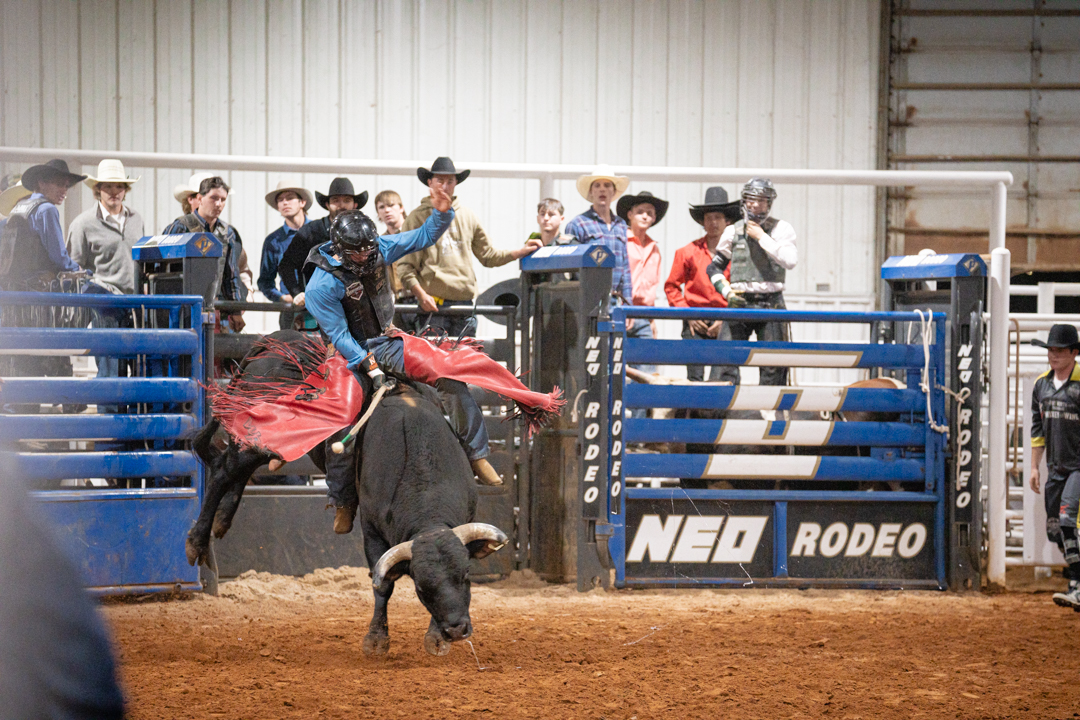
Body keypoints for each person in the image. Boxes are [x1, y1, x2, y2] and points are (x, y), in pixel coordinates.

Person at [303, 182, 498, 533]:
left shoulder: (380, 247)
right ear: (339, 248)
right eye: (357, 251)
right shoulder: (321, 285)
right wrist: (368, 364)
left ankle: (476, 453)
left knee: (450, 379)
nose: (365, 256)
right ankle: (343, 499)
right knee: (342, 419)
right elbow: (339, 335)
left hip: (390, 338)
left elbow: (422, 237)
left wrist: (442, 212)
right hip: (349, 353)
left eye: (368, 249)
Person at [396, 157, 542, 338]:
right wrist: (421, 295)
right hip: (433, 306)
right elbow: (405, 266)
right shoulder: (417, 218)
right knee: (435, 364)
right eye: (440, 180)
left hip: (464, 306)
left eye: (450, 181)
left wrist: (519, 252)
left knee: (466, 363)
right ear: (430, 182)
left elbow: (488, 255)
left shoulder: (467, 216)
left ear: (456, 183)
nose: (444, 186)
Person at [0, 159, 87, 410]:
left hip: (16, 299)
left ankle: (27, 419)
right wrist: (79, 270)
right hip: (39, 298)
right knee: (52, 349)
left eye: (66, 186)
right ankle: (69, 401)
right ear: (42, 182)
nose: (64, 190)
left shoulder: (19, 209)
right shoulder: (46, 209)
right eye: (59, 184)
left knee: (24, 360)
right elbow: (59, 257)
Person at [707, 178, 798, 387]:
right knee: (724, 360)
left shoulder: (782, 229)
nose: (756, 205)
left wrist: (761, 237)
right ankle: (722, 411)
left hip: (771, 303)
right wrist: (726, 292)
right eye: (751, 200)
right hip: (740, 301)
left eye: (761, 200)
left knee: (773, 365)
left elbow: (790, 261)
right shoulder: (733, 230)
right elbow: (714, 267)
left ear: (769, 203)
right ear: (744, 201)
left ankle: (770, 413)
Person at [66, 159, 145, 396]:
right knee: (111, 372)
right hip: (105, 306)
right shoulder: (83, 224)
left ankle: (130, 430)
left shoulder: (136, 219)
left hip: (136, 304)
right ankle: (110, 430)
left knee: (140, 370)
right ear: (98, 190)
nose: (114, 192)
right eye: (108, 187)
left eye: (119, 186)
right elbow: (74, 269)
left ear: (125, 190)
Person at [664, 186, 741, 381]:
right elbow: (672, 286)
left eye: (718, 217)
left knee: (725, 375)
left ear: (727, 221)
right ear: (702, 222)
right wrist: (687, 314)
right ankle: (694, 411)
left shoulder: (739, 255)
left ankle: (722, 411)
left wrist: (726, 318)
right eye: (709, 218)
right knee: (694, 377)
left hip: (727, 318)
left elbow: (743, 290)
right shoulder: (687, 252)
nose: (713, 222)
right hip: (695, 319)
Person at [1028, 323, 1080, 609]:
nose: (1053, 354)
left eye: (1059, 350)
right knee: (1055, 530)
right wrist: (1035, 467)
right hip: (1056, 466)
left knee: (1067, 520)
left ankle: (1079, 584)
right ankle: (1076, 581)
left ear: (1074, 352)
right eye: (1050, 349)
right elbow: (1038, 429)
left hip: (1077, 466)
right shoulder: (1042, 386)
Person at [276, 177, 368, 330]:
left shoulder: (364, 233)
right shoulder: (312, 231)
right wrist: (297, 292)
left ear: (355, 204)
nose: (341, 205)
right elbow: (286, 265)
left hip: (353, 310)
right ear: (327, 204)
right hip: (315, 310)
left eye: (346, 200)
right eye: (336, 200)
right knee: (312, 352)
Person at [163, 176, 248, 332]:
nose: (218, 204)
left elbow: (231, 273)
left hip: (210, 305)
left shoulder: (226, 232)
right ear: (200, 198)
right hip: (179, 307)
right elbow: (164, 272)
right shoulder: (181, 227)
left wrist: (236, 310)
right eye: (214, 198)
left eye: (223, 199)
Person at [564, 167, 634, 310]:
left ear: (613, 191)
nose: (602, 189)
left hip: (614, 301)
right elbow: (569, 267)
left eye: (607, 185)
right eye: (597, 185)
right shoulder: (578, 224)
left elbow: (625, 266)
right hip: (586, 301)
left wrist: (628, 305)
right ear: (591, 191)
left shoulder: (621, 225)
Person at [616, 190, 668, 351]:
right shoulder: (619, 241)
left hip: (644, 316)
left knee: (646, 369)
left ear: (653, 219)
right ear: (630, 214)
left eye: (649, 213)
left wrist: (652, 320)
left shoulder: (654, 250)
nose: (645, 216)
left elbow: (651, 288)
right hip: (621, 312)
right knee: (617, 368)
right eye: (640, 212)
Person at [258, 179, 312, 330]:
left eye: (289, 198)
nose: (284, 203)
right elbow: (265, 282)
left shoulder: (319, 232)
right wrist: (282, 297)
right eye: (280, 200)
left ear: (302, 202)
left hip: (322, 307)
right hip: (290, 310)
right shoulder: (273, 241)